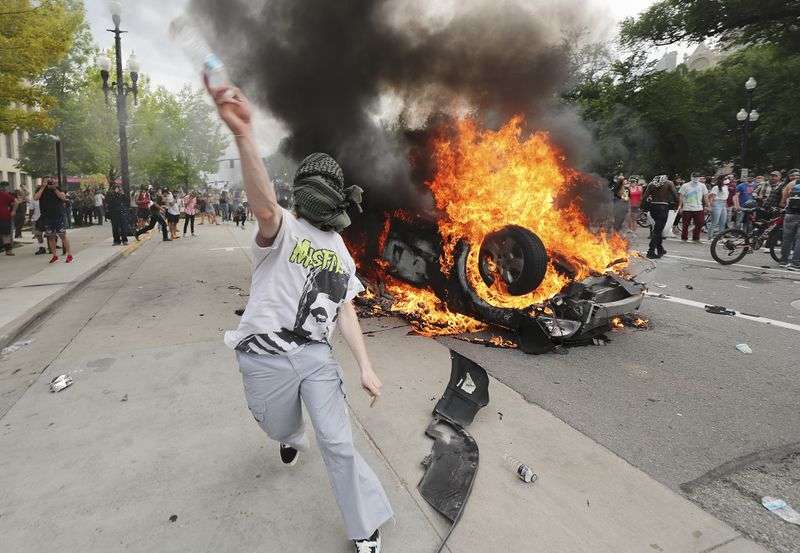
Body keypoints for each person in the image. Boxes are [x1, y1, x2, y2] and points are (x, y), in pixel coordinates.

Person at [209, 82, 392, 553]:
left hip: (315, 357)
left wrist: (366, 366)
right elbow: (263, 203)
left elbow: (345, 308)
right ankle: (290, 436)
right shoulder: (284, 227)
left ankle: (364, 526)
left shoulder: (342, 252)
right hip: (262, 356)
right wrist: (245, 136)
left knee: (338, 443)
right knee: (278, 427)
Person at [35, 179, 73, 263]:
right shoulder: (40, 189)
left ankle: (69, 254)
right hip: (47, 217)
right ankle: (54, 255)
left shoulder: (57, 188)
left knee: (62, 235)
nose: (48, 182)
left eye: (49, 180)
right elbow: (36, 198)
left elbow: (63, 197)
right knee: (51, 236)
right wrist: (42, 188)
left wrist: (55, 188)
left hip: (58, 216)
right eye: (45, 181)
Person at [642, 178, 678, 259]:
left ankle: (660, 249)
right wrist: (676, 205)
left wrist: (643, 207)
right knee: (657, 230)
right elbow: (676, 195)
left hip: (653, 207)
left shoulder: (651, 184)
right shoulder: (669, 183)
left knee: (658, 229)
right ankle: (651, 251)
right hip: (663, 207)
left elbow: (644, 197)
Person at [678, 173, 709, 243]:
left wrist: (708, 205)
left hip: (699, 208)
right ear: (691, 177)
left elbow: (705, 196)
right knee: (685, 224)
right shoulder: (685, 185)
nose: (696, 178)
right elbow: (681, 197)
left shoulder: (702, 186)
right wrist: (680, 207)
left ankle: (696, 238)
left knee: (700, 222)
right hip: (687, 208)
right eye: (694, 177)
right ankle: (684, 238)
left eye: (697, 177)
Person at [779, 171, 800, 270]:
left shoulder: (791, 184)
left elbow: (783, 201)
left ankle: (783, 261)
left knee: (787, 238)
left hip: (790, 213)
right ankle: (795, 264)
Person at [0, 181, 17, 256]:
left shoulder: (4, 195)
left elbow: (16, 202)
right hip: (5, 217)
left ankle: (8, 250)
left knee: (6, 234)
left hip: (4, 217)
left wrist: (13, 211)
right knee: (5, 234)